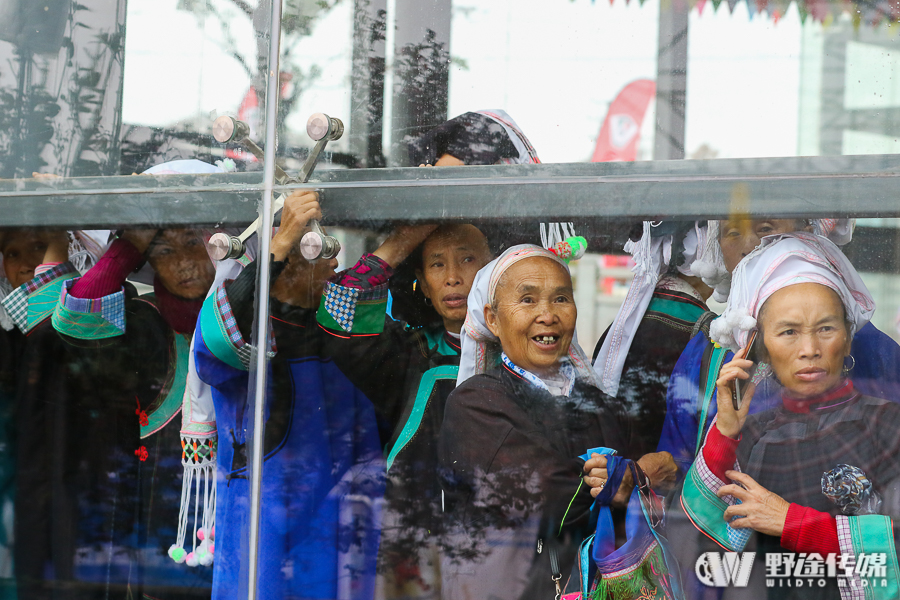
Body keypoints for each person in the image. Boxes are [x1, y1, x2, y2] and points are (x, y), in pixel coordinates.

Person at [439, 244, 676, 600]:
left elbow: (650, 493)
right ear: (492, 318)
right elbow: (541, 497)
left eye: (561, 299)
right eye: (528, 300)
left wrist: (636, 479)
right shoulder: (476, 403)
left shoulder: (602, 406)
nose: (547, 315)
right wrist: (628, 479)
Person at [672, 232, 900, 598]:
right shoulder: (752, 437)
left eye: (826, 328)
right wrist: (725, 431)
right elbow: (696, 554)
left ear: (847, 336)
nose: (809, 349)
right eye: (789, 332)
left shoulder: (889, 426)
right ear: (759, 346)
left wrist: (790, 521)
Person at [49, 160, 225, 599]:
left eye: (193, 243)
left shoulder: (249, 318)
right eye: (164, 251)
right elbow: (75, 319)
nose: (184, 262)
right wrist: (136, 237)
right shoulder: (142, 324)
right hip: (158, 545)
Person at [592, 221, 714, 459]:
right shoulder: (708, 331)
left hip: (617, 467)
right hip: (669, 472)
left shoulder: (621, 326)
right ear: (704, 266)